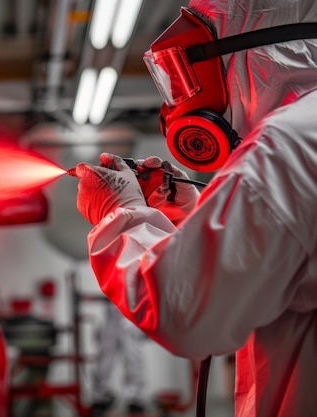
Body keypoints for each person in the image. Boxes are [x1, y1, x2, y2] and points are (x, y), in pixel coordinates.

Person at [73, 1, 317, 416]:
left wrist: (120, 212)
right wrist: (197, 211)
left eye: (188, 78)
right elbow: (283, 259)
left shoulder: (285, 144)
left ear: (246, 58)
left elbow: (182, 313)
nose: (180, 103)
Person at [89, 302, 146, 416]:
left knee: (133, 360)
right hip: (110, 316)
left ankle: (134, 398)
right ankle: (100, 397)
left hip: (129, 318)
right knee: (104, 360)